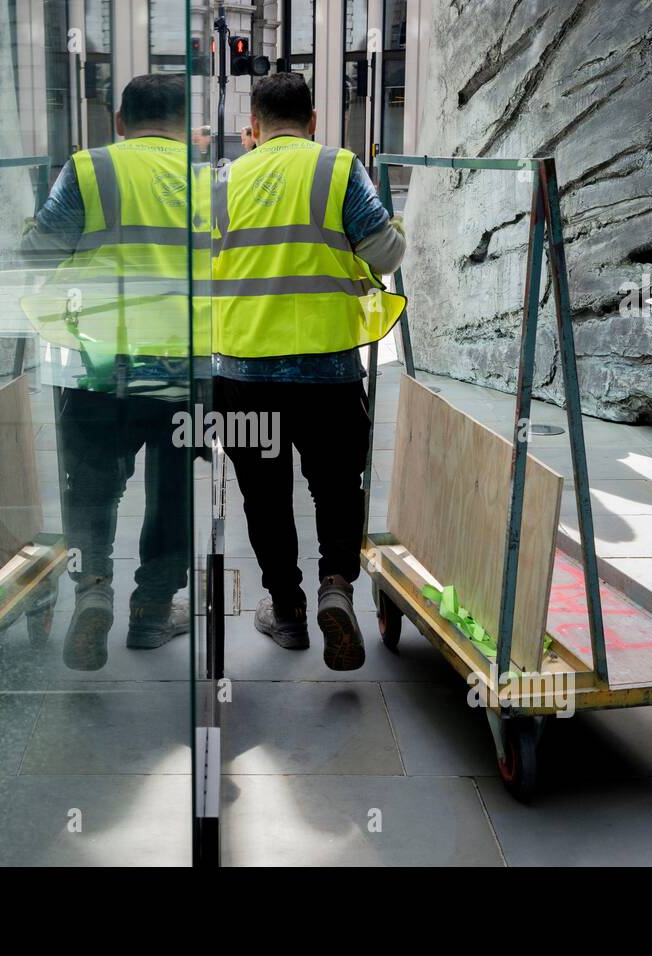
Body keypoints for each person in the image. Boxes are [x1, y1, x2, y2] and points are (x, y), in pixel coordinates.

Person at [211, 72, 405, 671]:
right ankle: (336, 588)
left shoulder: (222, 180)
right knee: (336, 486)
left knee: (264, 497)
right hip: (329, 370)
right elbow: (386, 254)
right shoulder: (338, 168)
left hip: (244, 371)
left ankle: (288, 610)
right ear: (314, 120)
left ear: (252, 129)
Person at [21, 74, 210, 671]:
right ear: (186, 125)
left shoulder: (89, 168)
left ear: (120, 122)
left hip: (101, 358)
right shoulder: (211, 178)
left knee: (95, 479)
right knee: (175, 486)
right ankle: (152, 612)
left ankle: (93, 588)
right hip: (188, 359)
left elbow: (40, 250)